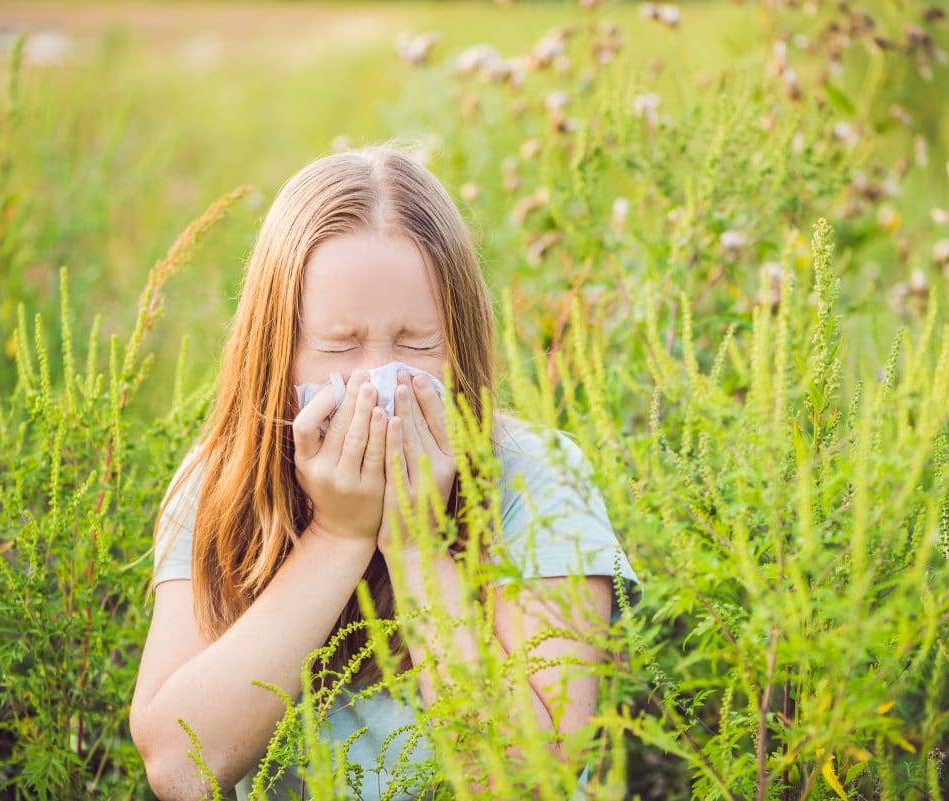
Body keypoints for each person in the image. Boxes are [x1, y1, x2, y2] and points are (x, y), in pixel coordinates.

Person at [129, 142, 642, 801]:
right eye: (340, 344)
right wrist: (338, 536)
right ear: (278, 354)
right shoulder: (222, 484)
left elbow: (528, 782)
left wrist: (415, 543)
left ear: (461, 348)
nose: (376, 381)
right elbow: (179, 766)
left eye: (416, 343)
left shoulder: (537, 480)